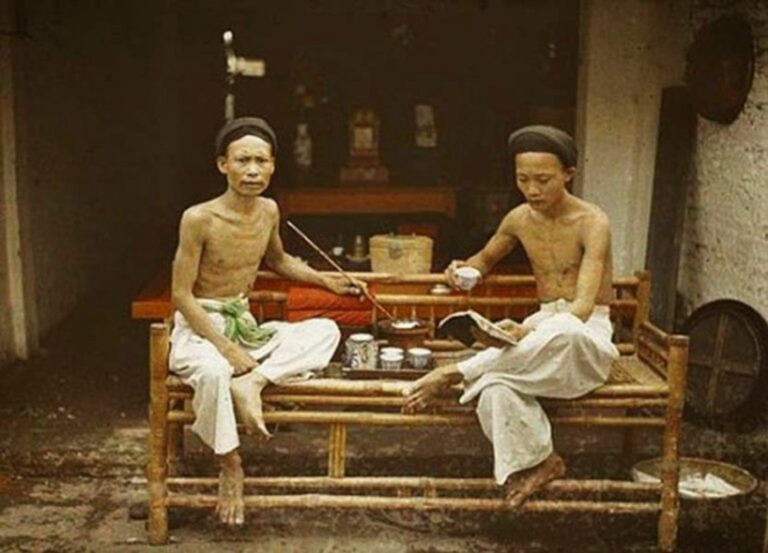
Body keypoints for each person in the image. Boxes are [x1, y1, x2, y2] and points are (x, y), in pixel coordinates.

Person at [404, 124, 619, 508]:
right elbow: (484, 260)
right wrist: (462, 271)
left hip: (582, 336)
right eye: (523, 179)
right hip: (539, 335)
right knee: (494, 387)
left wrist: (526, 331)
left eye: (543, 180)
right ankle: (541, 462)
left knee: (564, 329)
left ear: (568, 174)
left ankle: (454, 372)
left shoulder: (593, 222)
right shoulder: (519, 218)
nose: (532, 190)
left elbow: (582, 308)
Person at [169, 116, 363, 526]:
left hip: (244, 326)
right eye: (243, 161)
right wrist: (227, 350)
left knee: (326, 331)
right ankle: (230, 465)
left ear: (273, 165)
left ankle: (253, 382)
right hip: (203, 329)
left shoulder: (269, 210)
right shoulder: (198, 218)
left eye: (261, 161)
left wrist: (328, 281)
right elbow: (181, 296)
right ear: (223, 164)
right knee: (212, 373)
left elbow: (278, 260)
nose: (253, 170)